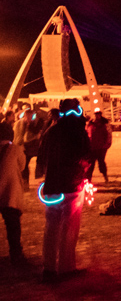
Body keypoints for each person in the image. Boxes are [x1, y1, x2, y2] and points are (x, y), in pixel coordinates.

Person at [34, 98, 90, 282]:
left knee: (51, 226)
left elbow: (41, 155)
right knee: (69, 227)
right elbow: (86, 155)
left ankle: (49, 268)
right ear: (76, 110)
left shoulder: (52, 130)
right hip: (72, 185)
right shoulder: (77, 130)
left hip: (52, 185)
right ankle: (66, 267)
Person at [0, 124, 27, 266]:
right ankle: (16, 255)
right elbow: (22, 166)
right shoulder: (15, 149)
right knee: (13, 227)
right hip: (10, 193)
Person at [86, 107, 112, 184]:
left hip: (101, 148)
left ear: (100, 114)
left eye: (98, 114)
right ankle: (89, 179)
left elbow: (108, 135)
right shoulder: (90, 124)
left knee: (101, 163)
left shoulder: (104, 123)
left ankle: (105, 177)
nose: (97, 116)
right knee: (91, 165)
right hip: (92, 147)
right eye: (96, 114)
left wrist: (107, 145)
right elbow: (87, 134)